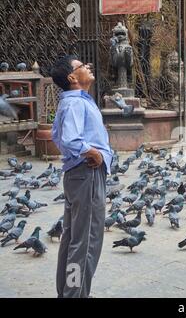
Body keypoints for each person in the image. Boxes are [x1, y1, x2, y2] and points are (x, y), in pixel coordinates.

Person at [51, 55, 113, 298]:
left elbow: (56, 135)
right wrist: (93, 153)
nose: (88, 66)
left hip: (77, 176)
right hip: (87, 174)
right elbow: (69, 139)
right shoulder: (75, 103)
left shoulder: (72, 101)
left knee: (72, 239)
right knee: (86, 242)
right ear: (72, 77)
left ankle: (67, 292)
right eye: (82, 66)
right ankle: (75, 294)